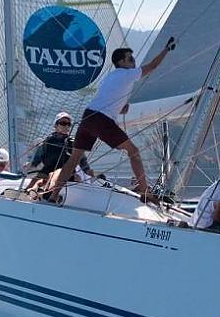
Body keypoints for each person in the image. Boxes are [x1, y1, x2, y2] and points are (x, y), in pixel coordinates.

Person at [48, 37, 177, 203]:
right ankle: (146, 193)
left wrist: (122, 106)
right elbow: (152, 66)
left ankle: (53, 195)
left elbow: (117, 105)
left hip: (88, 116)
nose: (134, 61)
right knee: (134, 152)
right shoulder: (128, 74)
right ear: (121, 62)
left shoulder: (111, 77)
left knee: (73, 159)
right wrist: (166, 49)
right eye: (131, 59)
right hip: (101, 120)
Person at [25, 112, 94, 190]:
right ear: (55, 125)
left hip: (66, 171)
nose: (66, 126)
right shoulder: (47, 141)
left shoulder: (72, 142)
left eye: (69, 124)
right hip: (48, 169)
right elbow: (38, 157)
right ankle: (29, 191)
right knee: (36, 179)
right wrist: (30, 164)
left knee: (54, 175)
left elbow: (82, 159)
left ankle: (45, 192)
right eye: (63, 123)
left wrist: (87, 170)